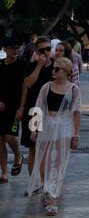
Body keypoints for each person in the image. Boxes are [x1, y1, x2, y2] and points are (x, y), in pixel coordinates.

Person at [25, 55, 81, 215]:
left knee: (58, 164)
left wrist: (76, 135)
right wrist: (34, 129)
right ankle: (46, 189)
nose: (53, 71)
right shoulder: (46, 86)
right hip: (47, 127)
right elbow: (38, 108)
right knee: (42, 162)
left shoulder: (73, 89)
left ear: (66, 71)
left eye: (57, 69)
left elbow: (76, 113)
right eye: (53, 68)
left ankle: (53, 198)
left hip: (64, 128)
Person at [17, 37, 54, 179]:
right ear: (37, 52)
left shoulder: (56, 66)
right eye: (42, 50)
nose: (45, 52)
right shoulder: (31, 66)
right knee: (33, 147)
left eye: (48, 49)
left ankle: (47, 180)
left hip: (51, 111)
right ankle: (34, 181)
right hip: (34, 111)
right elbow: (27, 85)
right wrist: (39, 65)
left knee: (48, 148)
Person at [0, 38, 27, 181]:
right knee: (0, 140)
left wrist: (21, 106)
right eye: (12, 47)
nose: (15, 50)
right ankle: (4, 172)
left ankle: (18, 154)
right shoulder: (0, 65)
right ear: (5, 49)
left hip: (14, 107)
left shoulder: (22, 65)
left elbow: (25, 87)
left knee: (10, 136)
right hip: (0, 107)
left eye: (17, 47)